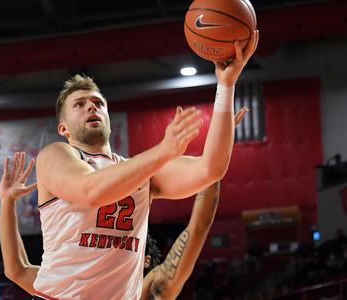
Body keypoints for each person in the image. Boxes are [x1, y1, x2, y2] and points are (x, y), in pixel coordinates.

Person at [32, 30, 259, 299]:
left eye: (97, 103)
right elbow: (90, 190)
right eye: (79, 105)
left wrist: (226, 85)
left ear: (107, 115)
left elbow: (210, 169)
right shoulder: (54, 155)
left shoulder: (141, 171)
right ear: (63, 128)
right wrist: (163, 151)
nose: (91, 107)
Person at [0, 146, 242, 299]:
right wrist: (7, 201)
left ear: (142, 260)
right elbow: (16, 269)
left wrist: (212, 168)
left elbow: (199, 226)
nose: (110, 249)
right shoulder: (71, 282)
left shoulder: (154, 287)